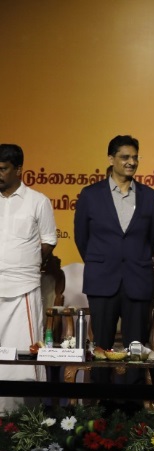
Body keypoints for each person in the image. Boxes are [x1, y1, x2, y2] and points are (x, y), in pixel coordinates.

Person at [74, 135, 154, 396]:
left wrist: (135, 260)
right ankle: (100, 407)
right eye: (125, 157)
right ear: (111, 159)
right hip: (103, 280)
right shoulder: (90, 195)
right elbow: (82, 239)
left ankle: (133, 411)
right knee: (101, 347)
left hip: (137, 279)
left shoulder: (150, 196)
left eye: (135, 157)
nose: (131, 162)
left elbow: (151, 238)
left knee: (136, 348)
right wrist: (104, 260)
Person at [0, 144, 56, 414]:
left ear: (19, 169)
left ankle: (26, 422)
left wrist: (23, 262)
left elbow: (48, 243)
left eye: (2, 169)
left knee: (25, 356)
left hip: (22, 290)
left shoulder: (38, 201)